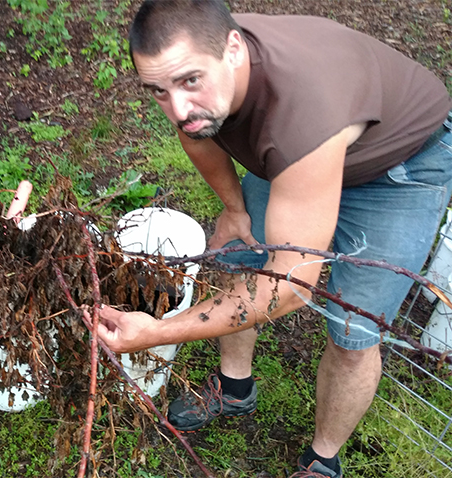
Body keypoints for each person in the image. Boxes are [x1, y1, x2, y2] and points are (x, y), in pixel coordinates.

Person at [91, 1, 452, 477]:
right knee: (241, 259)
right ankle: (235, 388)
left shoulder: (298, 118)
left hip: (399, 167)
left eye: (189, 82)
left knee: (352, 331)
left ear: (235, 49)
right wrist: (235, 208)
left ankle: (322, 461)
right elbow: (194, 134)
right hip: (309, 144)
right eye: (158, 91)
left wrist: (158, 333)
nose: (177, 108)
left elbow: (291, 286)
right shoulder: (195, 73)